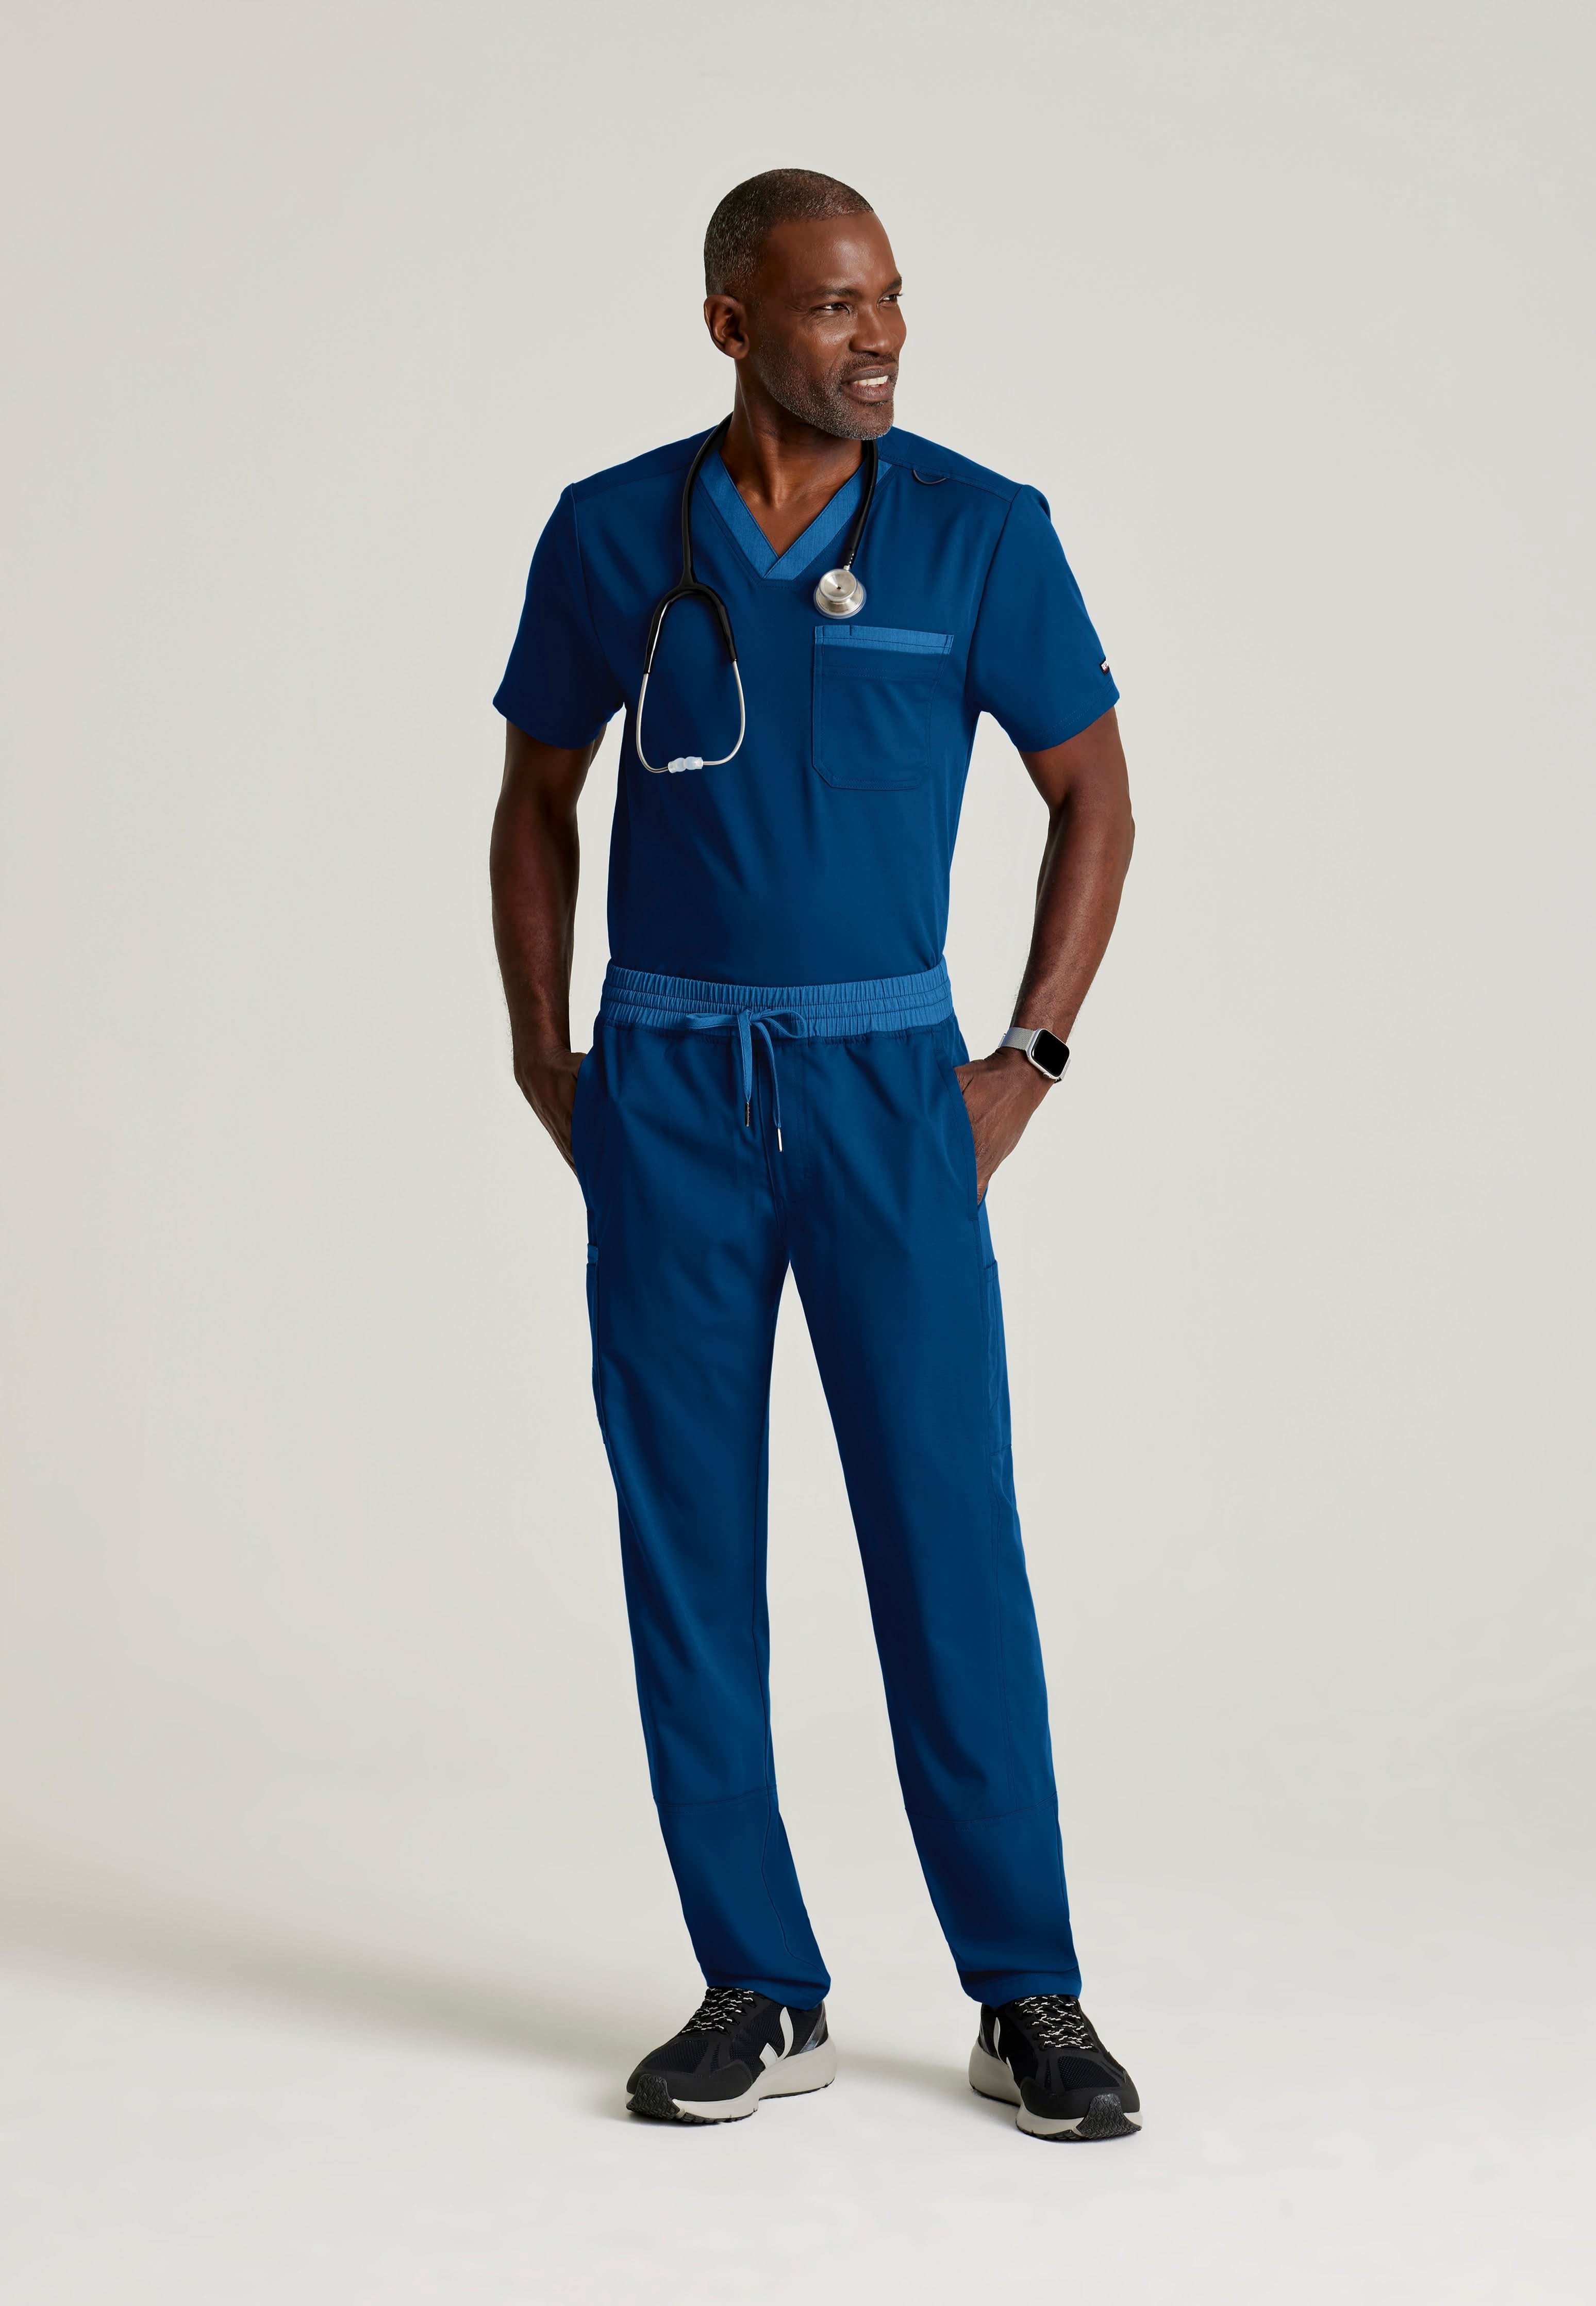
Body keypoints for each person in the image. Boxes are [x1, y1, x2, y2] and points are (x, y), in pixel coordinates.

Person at [489, 169, 1140, 2143]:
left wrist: (1026, 1056)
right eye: (836, 306)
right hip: (672, 1082)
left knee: (948, 1535)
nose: (881, 338)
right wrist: (546, 1053)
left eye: (891, 299)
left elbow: (1095, 793)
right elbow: (534, 795)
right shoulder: (614, 530)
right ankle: (760, 1986)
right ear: (732, 324)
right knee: (688, 1542)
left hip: (887, 1088)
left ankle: (1026, 1991)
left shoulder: (979, 530)